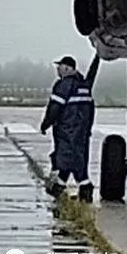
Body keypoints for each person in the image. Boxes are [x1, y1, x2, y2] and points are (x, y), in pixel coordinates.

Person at [40, 55, 95, 202]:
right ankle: (62, 187)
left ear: (66, 68)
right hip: (81, 132)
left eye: (59, 67)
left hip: (66, 130)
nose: (58, 70)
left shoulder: (64, 85)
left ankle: (82, 189)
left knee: (66, 160)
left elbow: (55, 107)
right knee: (76, 161)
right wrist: (87, 128)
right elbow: (91, 109)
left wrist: (46, 123)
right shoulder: (84, 85)